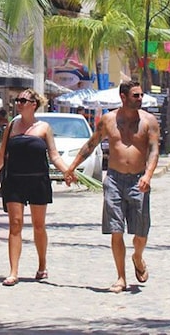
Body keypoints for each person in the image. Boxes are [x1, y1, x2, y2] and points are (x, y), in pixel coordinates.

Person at [63, 80, 159, 293]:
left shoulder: (149, 121)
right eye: (136, 95)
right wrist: (71, 167)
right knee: (116, 231)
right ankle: (121, 278)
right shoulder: (108, 120)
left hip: (139, 180)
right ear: (123, 97)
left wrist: (148, 175)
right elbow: (91, 143)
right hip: (114, 180)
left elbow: (153, 150)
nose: (140, 99)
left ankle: (138, 257)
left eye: (141, 95)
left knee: (141, 234)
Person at [0, 89, 69, 286]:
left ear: (34, 104)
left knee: (38, 226)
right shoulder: (12, 126)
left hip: (38, 181)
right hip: (14, 180)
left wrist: (68, 171)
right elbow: (1, 154)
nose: (19, 103)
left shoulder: (44, 128)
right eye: (17, 100)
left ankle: (42, 265)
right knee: (15, 225)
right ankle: (13, 271)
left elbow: (54, 156)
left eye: (23, 100)